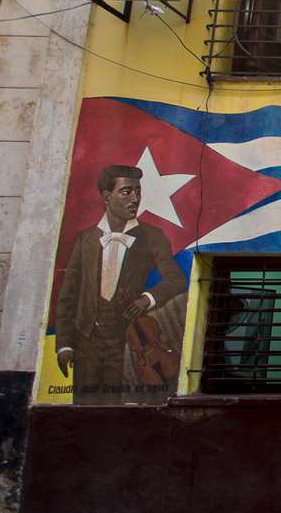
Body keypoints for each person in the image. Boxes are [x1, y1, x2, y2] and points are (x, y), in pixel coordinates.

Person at [55, 164, 186, 404]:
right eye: (126, 192)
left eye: (138, 192)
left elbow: (176, 279)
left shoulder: (152, 236)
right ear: (107, 197)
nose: (135, 199)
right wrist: (64, 345)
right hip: (87, 342)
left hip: (127, 343)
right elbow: (68, 296)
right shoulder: (85, 239)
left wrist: (148, 298)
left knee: (120, 409)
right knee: (84, 410)